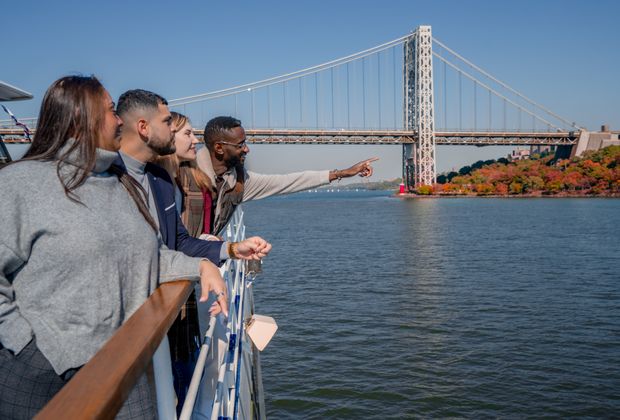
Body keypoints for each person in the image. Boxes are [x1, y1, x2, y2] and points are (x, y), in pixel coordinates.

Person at [0, 75, 228, 419]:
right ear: (81, 118)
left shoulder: (118, 183)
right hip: (40, 376)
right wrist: (28, 346)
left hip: (125, 364)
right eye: (109, 110)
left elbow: (148, 256)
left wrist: (201, 266)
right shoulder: (19, 184)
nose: (119, 120)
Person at [116, 94, 271, 412]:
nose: (175, 130)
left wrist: (229, 249)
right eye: (168, 122)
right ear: (144, 127)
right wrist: (203, 265)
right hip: (120, 330)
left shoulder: (158, 180)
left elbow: (178, 242)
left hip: (158, 318)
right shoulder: (108, 178)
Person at [196, 116, 379, 235]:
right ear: (219, 148)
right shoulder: (185, 176)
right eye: (240, 145)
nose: (247, 149)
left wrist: (344, 173)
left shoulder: (239, 182)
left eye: (246, 143)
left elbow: (289, 181)